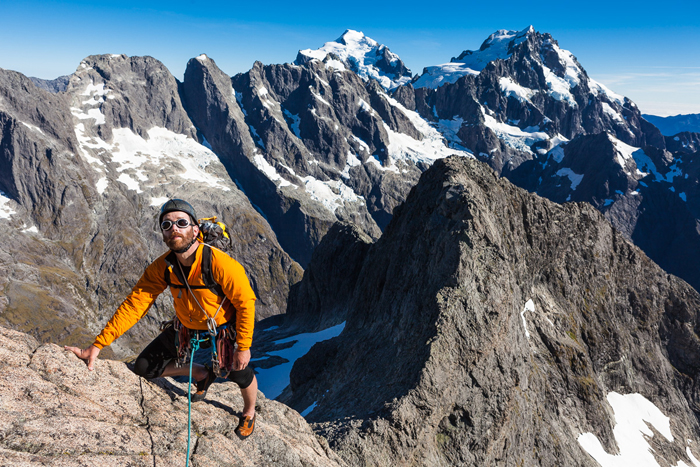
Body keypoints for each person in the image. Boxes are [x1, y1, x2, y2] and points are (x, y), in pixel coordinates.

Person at [65, 199, 258, 439]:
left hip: (222, 328)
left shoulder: (220, 263)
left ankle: (249, 411)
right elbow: (135, 305)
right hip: (187, 326)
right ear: (163, 235)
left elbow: (245, 303)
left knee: (238, 371)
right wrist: (97, 345)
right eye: (167, 225)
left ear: (195, 230)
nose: (174, 228)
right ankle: (201, 374)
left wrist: (243, 347)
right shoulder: (163, 267)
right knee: (145, 367)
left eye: (181, 223)